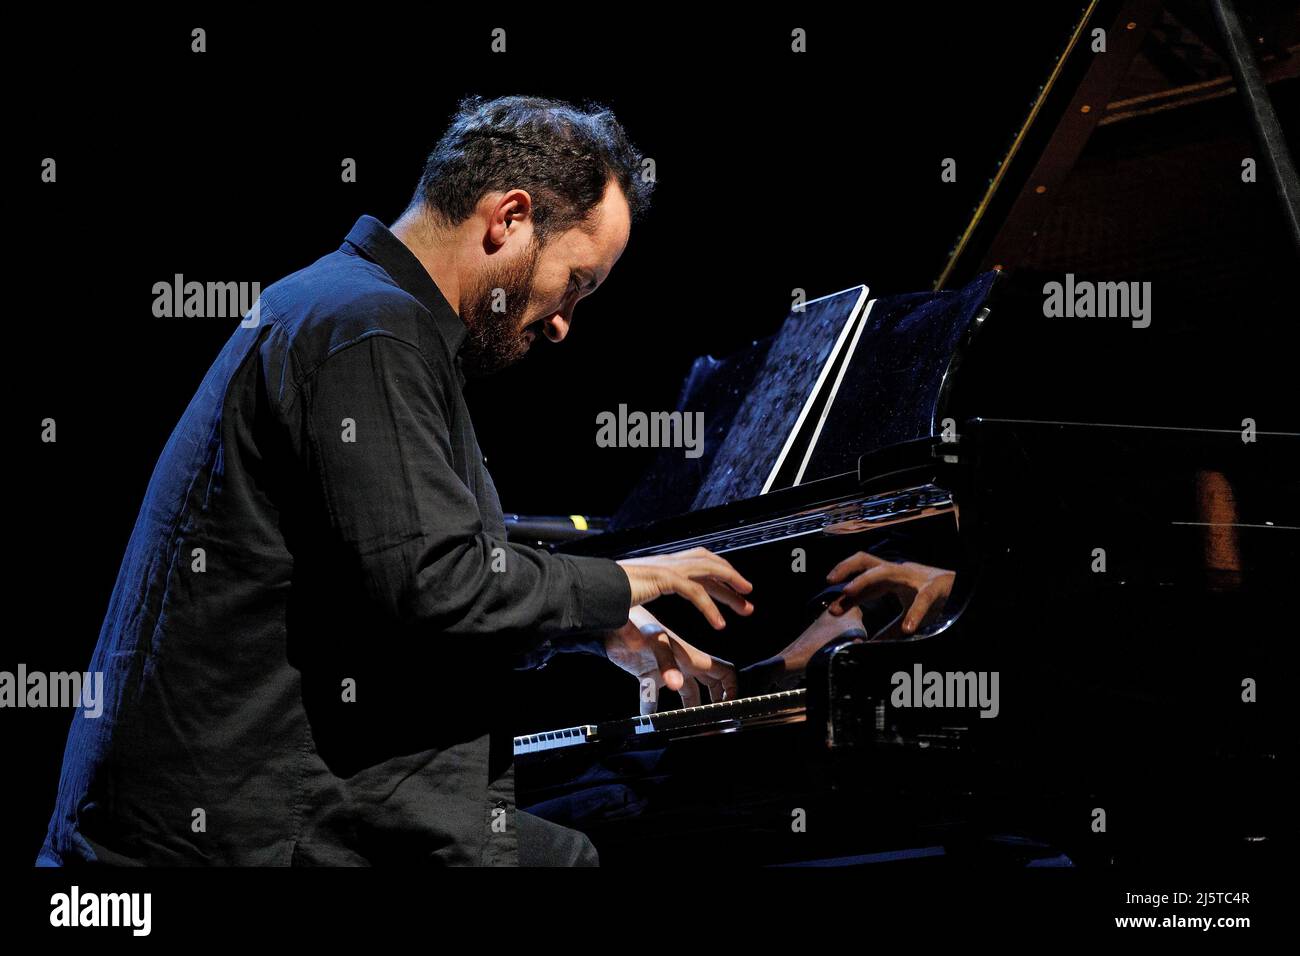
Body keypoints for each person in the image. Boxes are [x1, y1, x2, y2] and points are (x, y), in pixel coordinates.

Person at [37, 94, 753, 868]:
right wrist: (625, 583)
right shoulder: (367, 329)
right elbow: (434, 583)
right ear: (509, 217)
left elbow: (401, 582)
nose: (562, 323)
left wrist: (597, 625)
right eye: (576, 281)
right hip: (229, 840)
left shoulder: (350, 310)